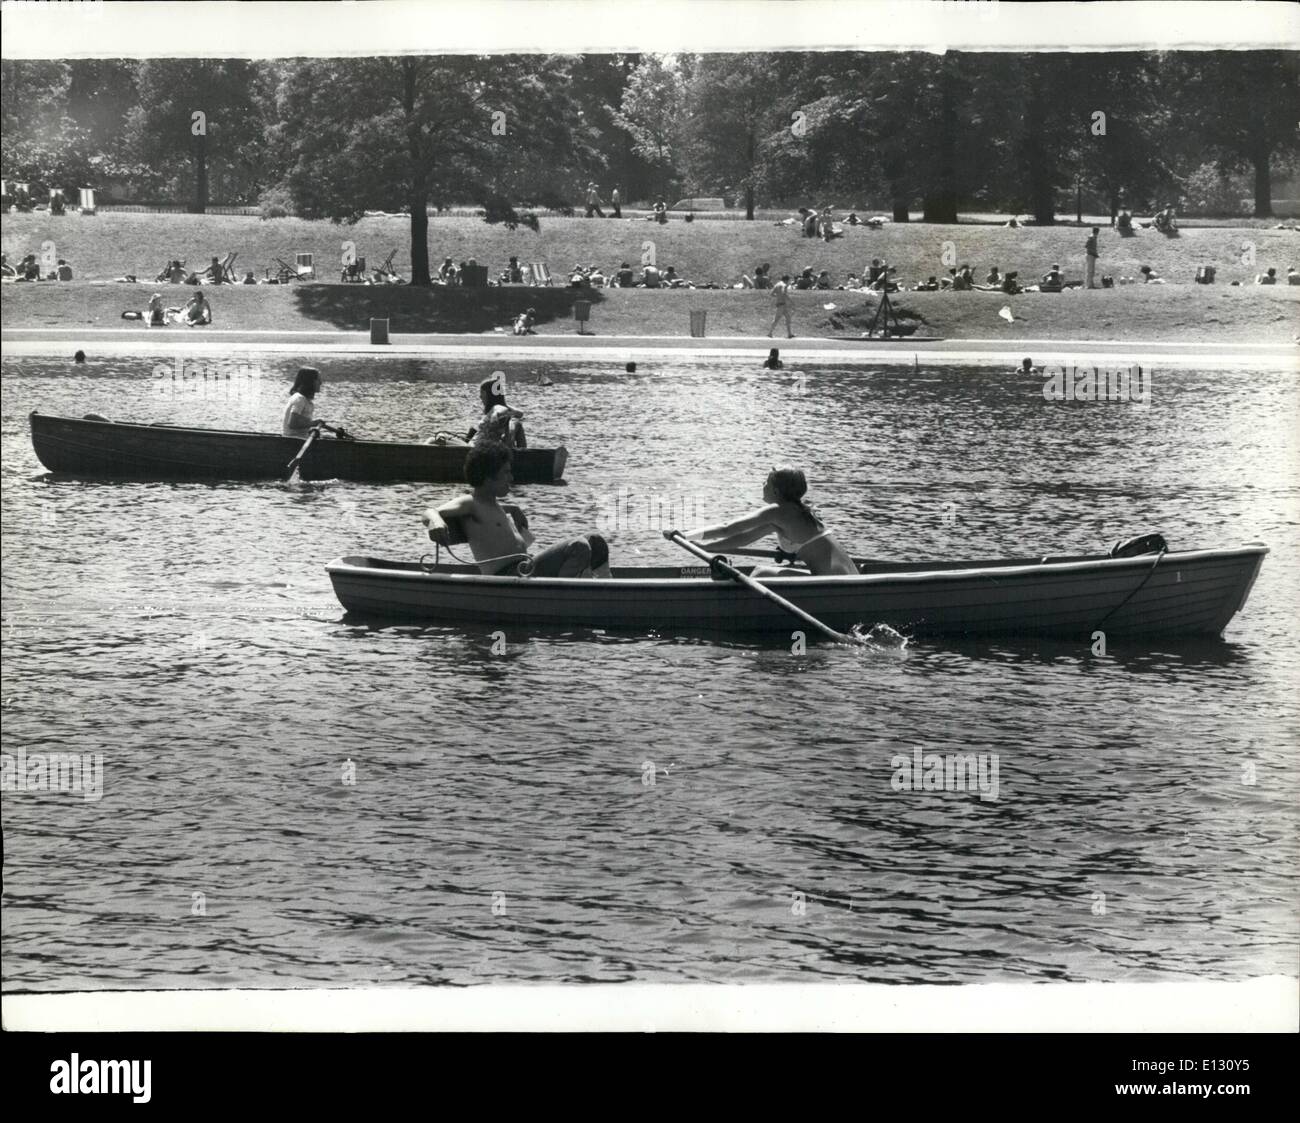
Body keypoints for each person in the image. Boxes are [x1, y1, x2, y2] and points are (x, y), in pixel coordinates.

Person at [426, 442, 610, 578]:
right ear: (488, 478)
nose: (511, 477)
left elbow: (490, 517)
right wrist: (436, 521)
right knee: (578, 546)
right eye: (505, 472)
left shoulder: (492, 504)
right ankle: (562, 597)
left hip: (525, 568)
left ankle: (606, 589)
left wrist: (512, 509)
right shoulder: (469, 503)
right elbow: (429, 511)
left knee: (595, 541)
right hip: (509, 575)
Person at [683, 467, 858, 578]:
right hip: (849, 577)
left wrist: (685, 536)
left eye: (766, 482)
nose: (762, 485)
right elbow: (743, 539)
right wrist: (706, 548)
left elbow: (727, 528)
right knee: (760, 571)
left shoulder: (777, 511)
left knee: (760, 573)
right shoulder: (797, 511)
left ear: (775, 490)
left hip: (833, 581)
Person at [282, 367, 348, 439]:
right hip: (293, 440)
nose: (321, 383)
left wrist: (315, 424)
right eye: (318, 380)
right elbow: (293, 424)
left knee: (331, 437)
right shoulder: (299, 399)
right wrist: (314, 423)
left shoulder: (305, 400)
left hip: (302, 437)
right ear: (309, 382)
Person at [467, 374, 526, 449]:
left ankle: (522, 454)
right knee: (473, 428)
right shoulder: (498, 408)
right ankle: (523, 454)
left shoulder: (496, 408)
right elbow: (520, 414)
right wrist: (503, 404)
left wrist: (496, 414)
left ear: (488, 395)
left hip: (476, 448)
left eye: (482, 392)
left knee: (517, 424)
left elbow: (500, 409)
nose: (480, 396)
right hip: (478, 446)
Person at [768, 274, 793, 338]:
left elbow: (772, 294)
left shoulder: (777, 284)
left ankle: (789, 334)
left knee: (784, 319)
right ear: (786, 280)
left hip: (779, 304)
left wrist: (778, 296)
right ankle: (770, 333)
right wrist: (790, 300)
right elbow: (783, 293)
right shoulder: (784, 285)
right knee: (785, 319)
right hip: (783, 304)